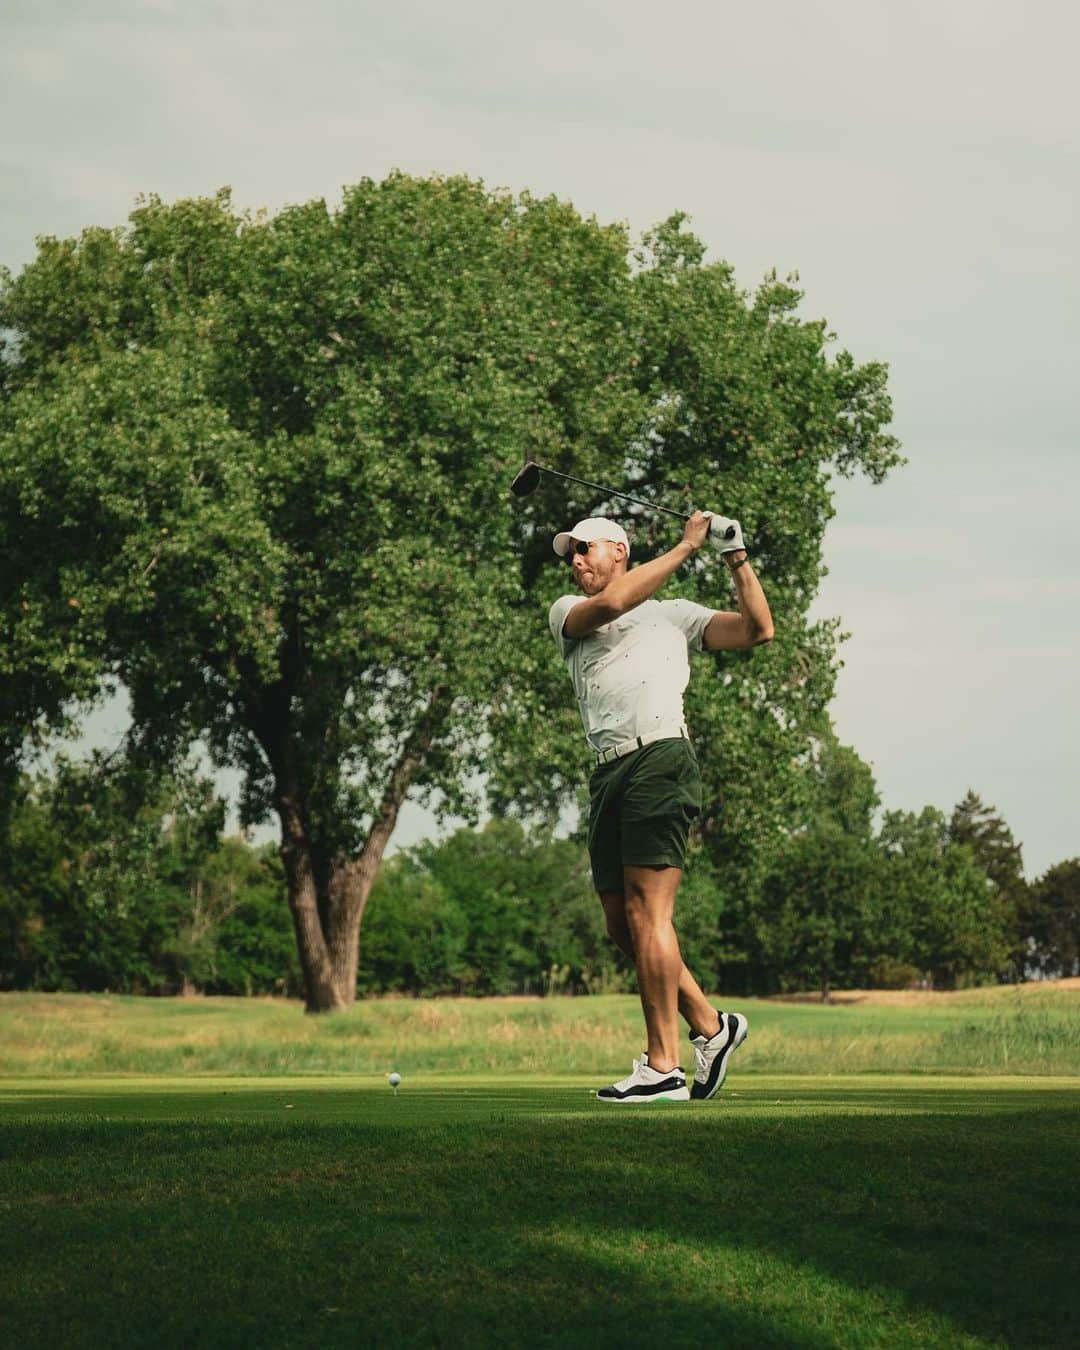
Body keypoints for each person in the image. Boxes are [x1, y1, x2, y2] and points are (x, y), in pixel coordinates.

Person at [548, 509, 774, 1102]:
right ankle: (711, 1027)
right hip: (607, 774)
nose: (575, 560)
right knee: (623, 926)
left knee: (650, 916)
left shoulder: (676, 616)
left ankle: (663, 1066)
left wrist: (736, 558)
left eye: (585, 549)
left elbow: (756, 631)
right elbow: (611, 605)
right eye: (570, 552)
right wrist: (685, 547)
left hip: (660, 758)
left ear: (619, 550)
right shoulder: (567, 613)